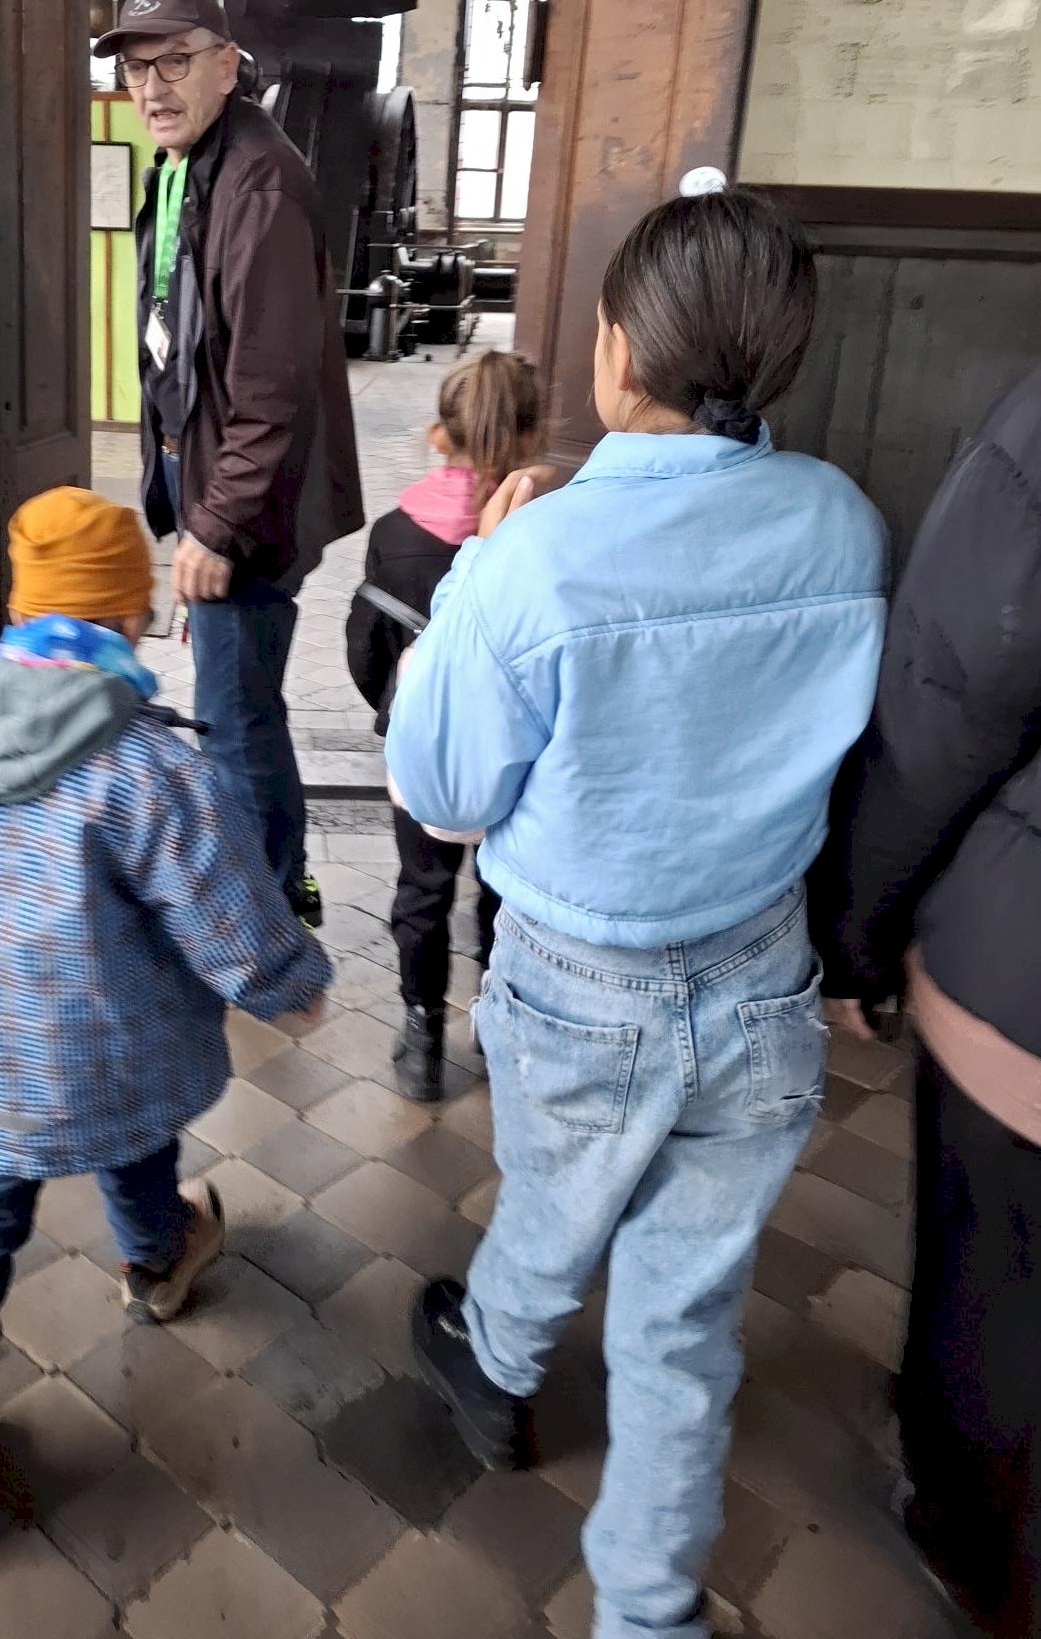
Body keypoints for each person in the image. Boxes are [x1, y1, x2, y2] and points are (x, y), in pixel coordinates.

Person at [386, 189, 889, 1639]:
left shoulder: (532, 559)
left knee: (556, 1200)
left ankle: (495, 1363)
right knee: (686, 1316)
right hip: (760, 969)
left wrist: (480, 570)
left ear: (615, 351)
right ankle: (649, 1617)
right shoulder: (844, 526)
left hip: (577, 980)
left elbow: (443, 793)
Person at [0, 486, 330, 1544]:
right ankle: (157, 1256)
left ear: (19, 608)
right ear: (127, 617)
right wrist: (293, 987)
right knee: (136, 1132)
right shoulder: (151, 767)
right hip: (119, 1050)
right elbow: (228, 918)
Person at [811, 367, 1041, 1638]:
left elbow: (950, 703)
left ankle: (972, 1543)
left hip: (1023, 986)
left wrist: (855, 936)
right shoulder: (829, 522)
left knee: (994, 1281)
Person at [93, 0, 364, 930]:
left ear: (226, 65)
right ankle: (274, 877)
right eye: (136, 69)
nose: (152, 88)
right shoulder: (185, 166)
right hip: (206, 474)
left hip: (247, 501)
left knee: (235, 714)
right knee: (238, 697)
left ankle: (265, 906)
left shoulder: (259, 184)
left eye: (174, 62)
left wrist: (213, 525)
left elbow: (271, 389)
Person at [345, 349, 549, 1101]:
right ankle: (498, 1028)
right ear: (530, 436)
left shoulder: (395, 532)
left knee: (422, 888)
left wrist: (396, 712)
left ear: (440, 434)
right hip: (525, 760)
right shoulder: (545, 532)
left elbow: (365, 644)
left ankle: (422, 1035)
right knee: (507, 892)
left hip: (426, 753)